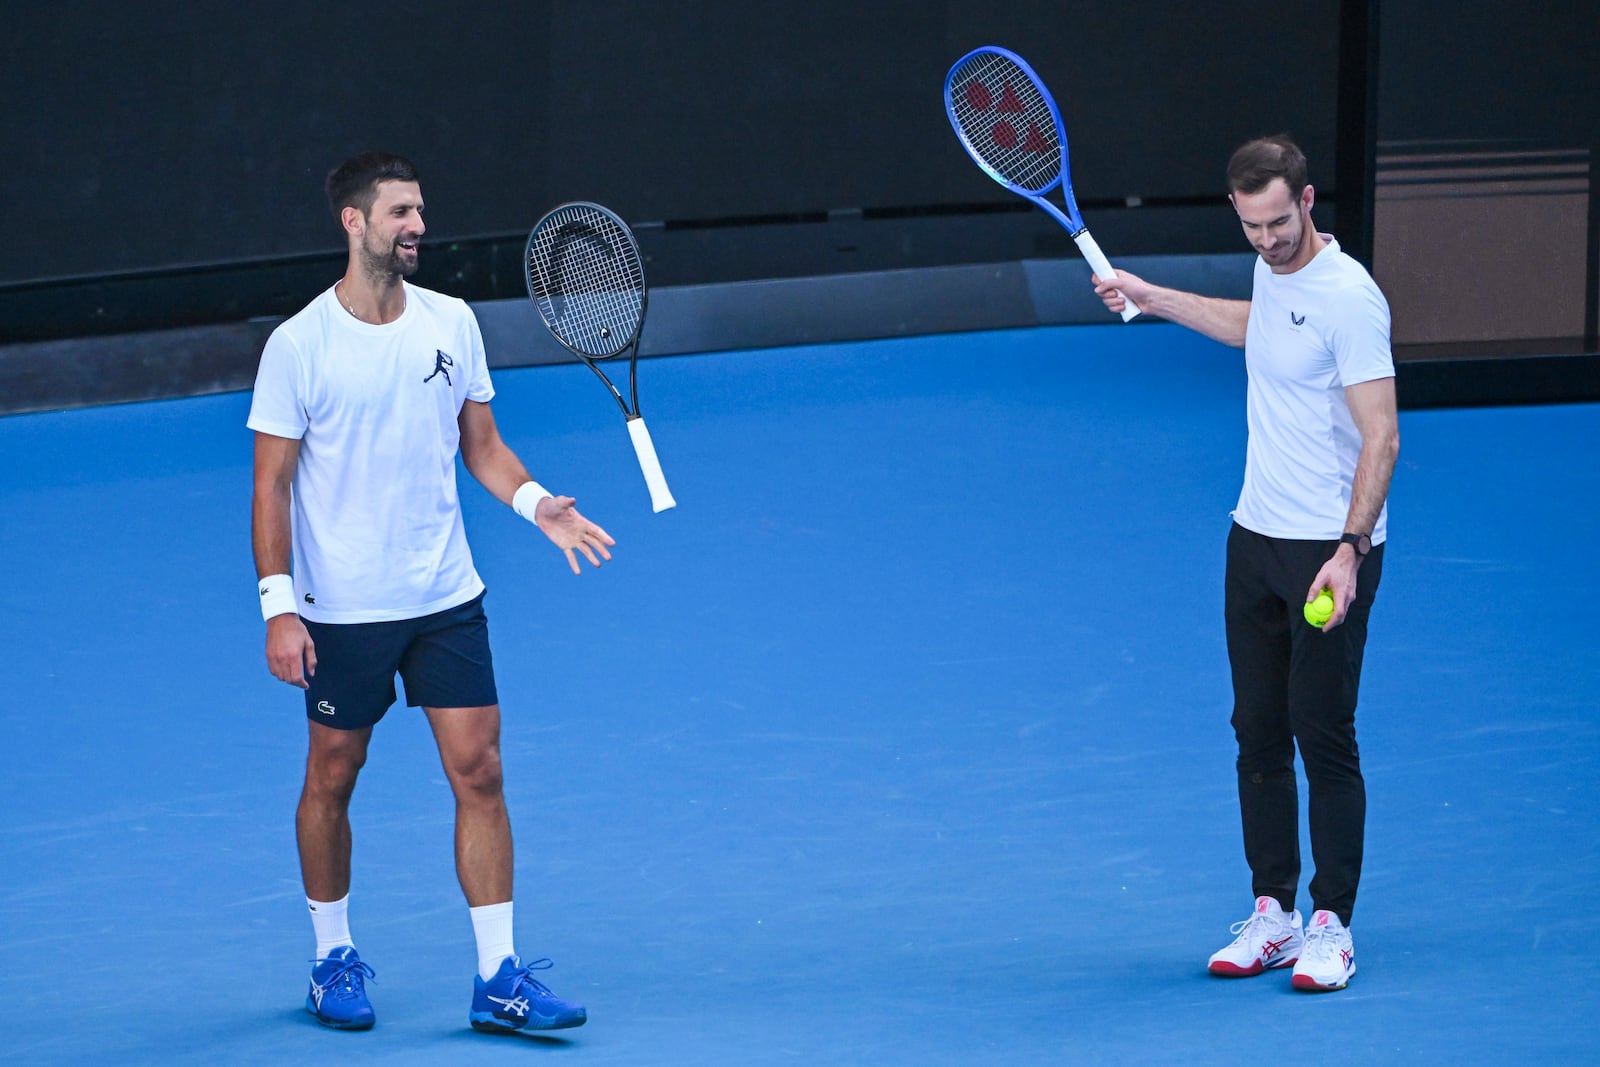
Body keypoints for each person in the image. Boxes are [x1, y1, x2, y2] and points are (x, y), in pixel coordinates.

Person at [249, 151, 614, 1031]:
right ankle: (330, 956)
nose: (417, 226)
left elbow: (481, 445)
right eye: (400, 212)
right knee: (333, 774)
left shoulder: (451, 323)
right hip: (344, 610)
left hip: (446, 594)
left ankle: (500, 978)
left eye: (420, 211)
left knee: (481, 771)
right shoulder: (298, 345)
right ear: (355, 222)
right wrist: (279, 606)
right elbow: (271, 485)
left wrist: (537, 507)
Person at [1093, 135, 1398, 993]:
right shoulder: (1273, 269)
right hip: (1253, 537)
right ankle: (1274, 911)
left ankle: (1332, 923)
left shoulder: (1350, 298)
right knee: (1256, 732)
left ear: (1307, 201)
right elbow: (1257, 327)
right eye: (1252, 226)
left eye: (1280, 222)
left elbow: (1383, 435)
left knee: (1322, 734)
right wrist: (1151, 297)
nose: (1268, 240)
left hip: (1326, 549)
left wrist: (1350, 549)